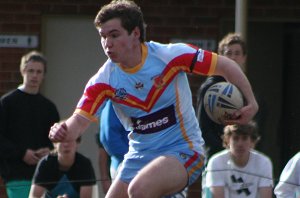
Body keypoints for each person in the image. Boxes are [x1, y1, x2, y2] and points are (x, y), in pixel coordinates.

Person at [48, 1, 258, 197]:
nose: (107, 43)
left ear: (135, 33)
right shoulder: (103, 80)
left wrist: (251, 102)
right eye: (103, 36)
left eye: (114, 35)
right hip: (139, 156)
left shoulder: (170, 56)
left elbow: (226, 65)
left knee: (139, 189)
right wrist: (62, 129)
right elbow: (78, 122)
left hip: (183, 150)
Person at [0, 50, 60, 198]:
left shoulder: (49, 107)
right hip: (16, 175)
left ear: (44, 75)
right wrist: (22, 153)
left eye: (39, 72)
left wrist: (49, 151)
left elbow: (57, 141)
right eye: (31, 71)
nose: (34, 75)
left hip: (43, 175)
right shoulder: (7, 103)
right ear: (22, 71)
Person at [196, 33, 248, 159]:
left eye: (237, 53)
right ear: (221, 57)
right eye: (229, 53)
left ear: (244, 57)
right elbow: (203, 128)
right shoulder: (210, 88)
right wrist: (226, 150)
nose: (233, 57)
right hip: (217, 156)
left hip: (242, 158)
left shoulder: (245, 88)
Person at [204, 121, 273, 198]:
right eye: (235, 138)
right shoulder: (216, 162)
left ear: (252, 141)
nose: (240, 144)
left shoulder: (264, 162)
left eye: (244, 138)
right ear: (228, 141)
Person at [29, 136, 96, 198]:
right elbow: (34, 196)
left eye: (70, 140)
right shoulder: (46, 163)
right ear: (54, 143)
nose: (66, 145)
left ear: (77, 142)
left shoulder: (84, 164)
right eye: (62, 140)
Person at [97, 100, 130, 194]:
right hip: (124, 164)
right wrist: (134, 158)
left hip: (148, 161)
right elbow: (108, 138)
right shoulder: (113, 102)